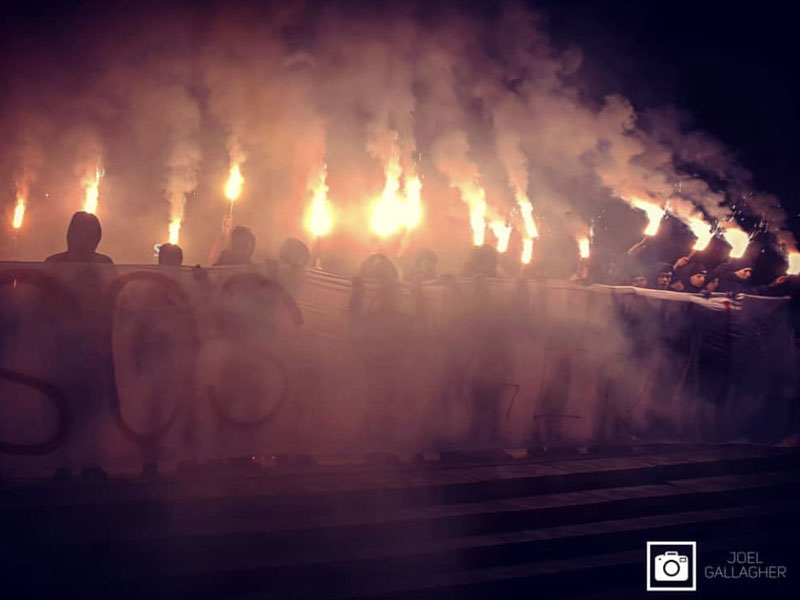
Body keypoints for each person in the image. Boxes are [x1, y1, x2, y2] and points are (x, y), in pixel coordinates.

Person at [44, 211, 113, 264]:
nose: (84, 239)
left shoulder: (104, 263)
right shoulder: (53, 263)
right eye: (80, 232)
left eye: (89, 235)